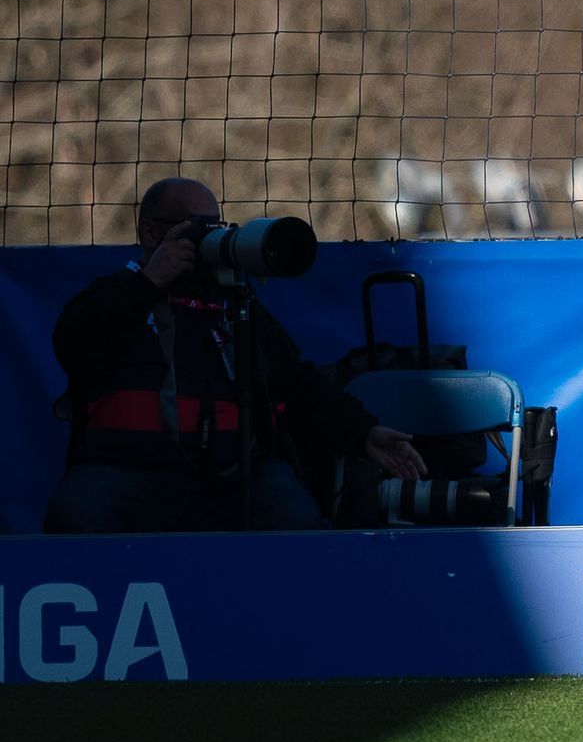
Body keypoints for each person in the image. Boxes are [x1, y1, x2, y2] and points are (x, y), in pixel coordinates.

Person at [46, 177, 424, 533]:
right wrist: (146, 285)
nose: (209, 239)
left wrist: (364, 433)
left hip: (233, 477)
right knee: (77, 509)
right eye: (197, 228)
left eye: (217, 226)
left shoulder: (236, 308)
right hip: (128, 472)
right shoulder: (114, 295)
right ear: (150, 232)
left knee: (292, 516)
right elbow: (73, 345)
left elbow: (297, 384)